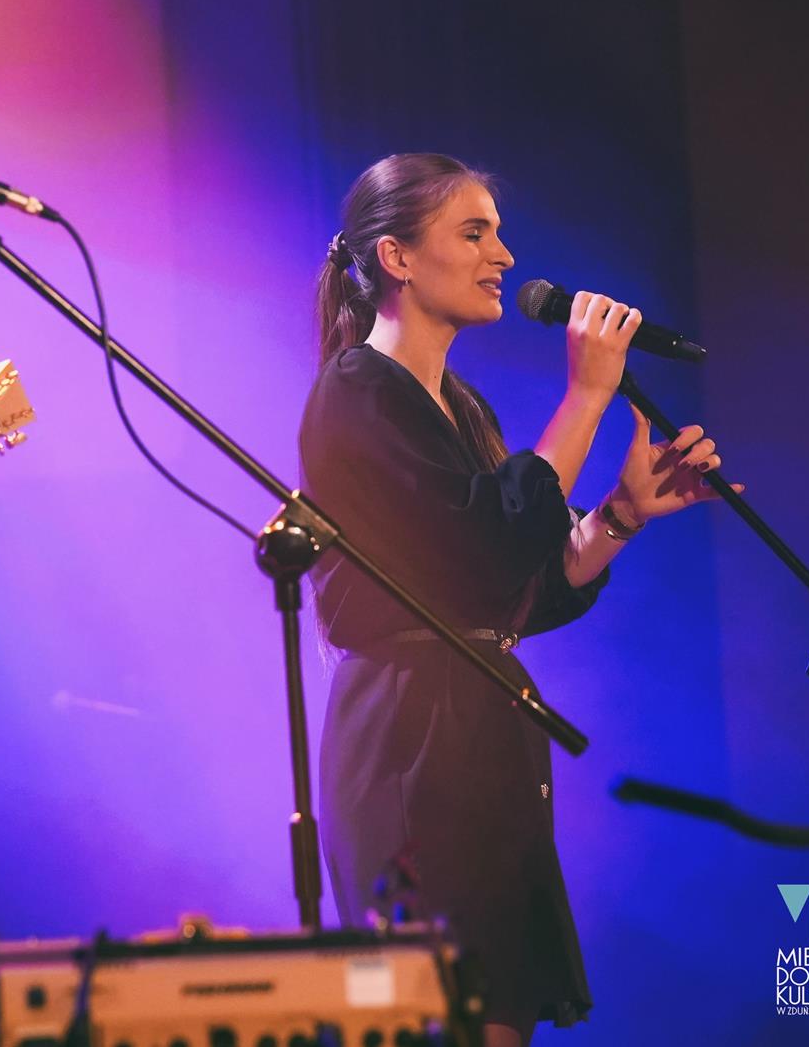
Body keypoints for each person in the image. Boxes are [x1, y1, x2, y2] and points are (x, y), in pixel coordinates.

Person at [297, 153, 740, 1045]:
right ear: (397, 257)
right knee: (445, 1012)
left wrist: (620, 515)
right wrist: (587, 396)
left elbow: (513, 590)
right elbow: (487, 547)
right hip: (411, 740)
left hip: (480, 730)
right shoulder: (358, 390)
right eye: (473, 233)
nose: (502, 254)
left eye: (498, 232)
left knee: (500, 1007)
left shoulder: (461, 408)